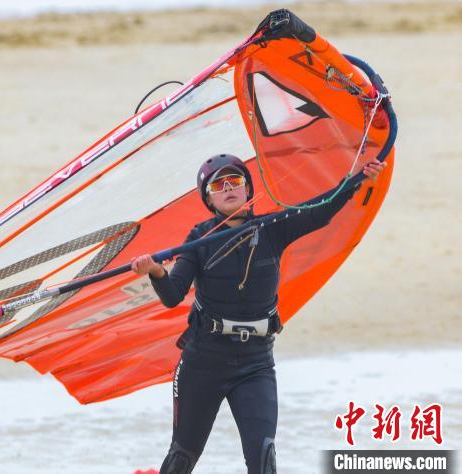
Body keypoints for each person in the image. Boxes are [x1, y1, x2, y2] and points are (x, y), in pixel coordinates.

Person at [131, 154, 386, 474]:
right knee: (183, 456)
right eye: (218, 184)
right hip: (203, 363)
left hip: (255, 364)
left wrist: (356, 180)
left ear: (248, 189)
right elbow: (172, 296)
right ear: (208, 198)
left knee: (264, 459)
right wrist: (155, 271)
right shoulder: (199, 239)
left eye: (235, 181)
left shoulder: (272, 229)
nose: (228, 188)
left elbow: (319, 212)